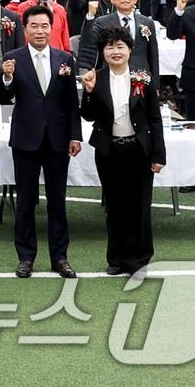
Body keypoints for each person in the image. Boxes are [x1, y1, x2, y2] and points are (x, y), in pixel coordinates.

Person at [0, 5, 81, 279]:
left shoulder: (65, 59)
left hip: (58, 139)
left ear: (52, 27)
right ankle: (26, 257)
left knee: (58, 201)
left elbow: (72, 103)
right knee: (25, 201)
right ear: (25, 29)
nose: (39, 31)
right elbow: (3, 95)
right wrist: (7, 77)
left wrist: (75, 136)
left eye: (44, 25)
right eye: (33, 26)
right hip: (26, 138)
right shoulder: (13, 58)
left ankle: (60, 257)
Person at [80, 27, 167, 275]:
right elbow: (88, 115)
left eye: (120, 46)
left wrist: (158, 155)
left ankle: (138, 260)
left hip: (139, 149)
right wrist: (88, 92)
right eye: (109, 47)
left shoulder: (143, 78)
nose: (115, 51)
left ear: (129, 50)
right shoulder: (96, 77)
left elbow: (154, 118)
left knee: (139, 206)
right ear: (103, 52)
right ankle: (116, 259)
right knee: (115, 206)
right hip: (109, 152)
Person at [77, 0, 159, 74]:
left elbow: (153, 56)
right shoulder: (102, 22)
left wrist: (155, 85)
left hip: (141, 76)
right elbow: (88, 41)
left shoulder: (147, 22)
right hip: (111, 74)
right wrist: (90, 16)